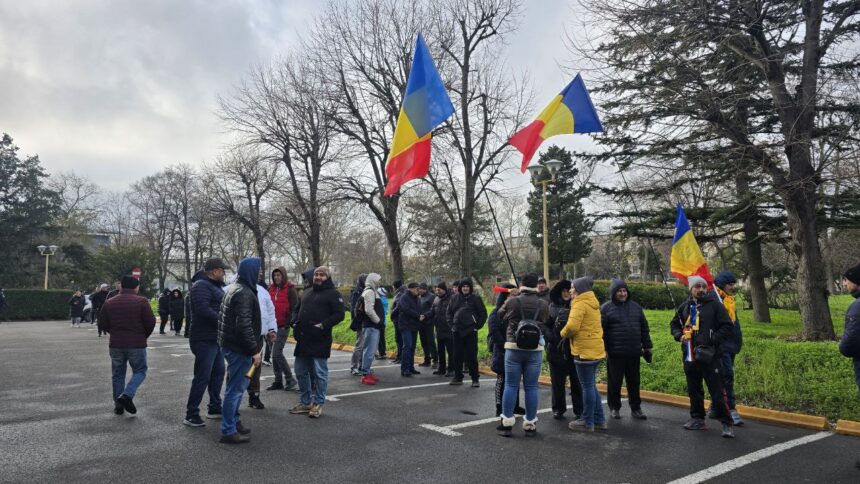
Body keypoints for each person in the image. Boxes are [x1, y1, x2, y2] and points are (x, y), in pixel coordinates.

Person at [670, 275, 736, 438]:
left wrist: (713, 339)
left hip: (711, 356)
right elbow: (674, 324)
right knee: (694, 389)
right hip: (690, 355)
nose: (700, 290)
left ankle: (726, 423)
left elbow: (727, 326)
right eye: (697, 287)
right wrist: (679, 336)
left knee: (717, 391)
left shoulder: (714, 305)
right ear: (691, 289)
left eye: (703, 287)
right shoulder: (685, 306)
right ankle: (697, 419)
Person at [496, 273, 549, 437]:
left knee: (511, 385)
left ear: (522, 284)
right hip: (534, 350)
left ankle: (506, 424)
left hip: (513, 347)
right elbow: (545, 321)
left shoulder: (513, 301)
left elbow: (500, 315)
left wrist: (510, 299)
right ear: (536, 285)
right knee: (531, 387)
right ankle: (530, 424)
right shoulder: (543, 303)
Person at [289, 266, 345, 418]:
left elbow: (340, 315)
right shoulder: (306, 292)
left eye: (322, 275)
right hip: (303, 339)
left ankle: (318, 403)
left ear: (328, 277)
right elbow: (296, 308)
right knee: (300, 371)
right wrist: (293, 321)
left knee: (320, 373)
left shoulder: (333, 294)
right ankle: (306, 402)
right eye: (316, 275)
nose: (318, 277)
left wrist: (323, 325)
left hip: (320, 339)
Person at [217, 257, 262, 444]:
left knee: (234, 388)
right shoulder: (244, 293)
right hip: (239, 349)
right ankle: (228, 430)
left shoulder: (237, 288)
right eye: (258, 270)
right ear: (250, 271)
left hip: (231, 345)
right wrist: (254, 350)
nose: (260, 273)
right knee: (235, 390)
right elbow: (243, 325)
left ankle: (234, 422)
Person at [97, 275, 156, 416]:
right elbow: (150, 322)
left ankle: (118, 405)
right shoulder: (142, 301)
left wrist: (114, 332)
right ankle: (127, 395)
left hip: (116, 343)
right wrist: (143, 335)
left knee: (117, 374)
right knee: (140, 371)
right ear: (136, 287)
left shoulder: (110, 302)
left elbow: (102, 322)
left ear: (121, 286)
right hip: (136, 343)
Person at [183, 259, 229, 428]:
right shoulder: (201, 285)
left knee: (218, 373)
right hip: (203, 338)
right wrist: (223, 320)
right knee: (202, 376)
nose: (224, 273)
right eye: (222, 270)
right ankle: (191, 413)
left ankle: (214, 407)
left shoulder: (215, 286)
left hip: (215, 338)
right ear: (215, 271)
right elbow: (202, 309)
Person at [601, 278, 652, 420]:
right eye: (619, 291)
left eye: (624, 291)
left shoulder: (636, 307)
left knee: (634, 382)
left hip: (634, 352)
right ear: (613, 293)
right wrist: (604, 349)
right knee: (614, 382)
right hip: (615, 353)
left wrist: (647, 346)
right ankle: (614, 408)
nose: (622, 294)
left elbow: (644, 328)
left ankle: (636, 409)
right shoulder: (605, 308)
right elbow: (601, 332)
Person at [562, 276, 607, 433]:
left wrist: (563, 333)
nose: (571, 290)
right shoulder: (593, 302)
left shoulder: (579, 303)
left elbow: (572, 327)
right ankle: (599, 419)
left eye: (573, 287)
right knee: (591, 386)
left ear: (579, 289)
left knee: (587, 387)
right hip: (595, 349)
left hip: (584, 351)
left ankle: (587, 421)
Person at [545, 279, 583, 420]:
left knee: (577, 383)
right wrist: (553, 338)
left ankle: (579, 410)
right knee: (557, 384)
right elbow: (545, 326)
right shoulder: (551, 307)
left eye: (569, 291)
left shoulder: (578, 306)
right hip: (556, 350)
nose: (567, 293)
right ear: (560, 292)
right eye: (564, 291)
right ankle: (558, 409)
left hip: (574, 350)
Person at [712, 271, 744, 426]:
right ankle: (730, 409)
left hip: (732, 345)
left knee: (722, 377)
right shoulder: (715, 299)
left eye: (733, 284)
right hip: (722, 345)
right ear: (721, 285)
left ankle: (715, 406)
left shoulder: (729, 300)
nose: (732, 287)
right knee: (727, 376)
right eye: (729, 284)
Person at [487, 283, 524, 416]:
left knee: (515, 380)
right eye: (511, 295)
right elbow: (493, 331)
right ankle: (499, 406)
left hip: (515, 349)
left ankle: (515, 405)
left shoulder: (518, 311)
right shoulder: (497, 311)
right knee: (502, 379)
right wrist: (505, 345)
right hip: (502, 351)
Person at [838, 264, 860, 470]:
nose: (845, 284)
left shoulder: (857, 307)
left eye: (847, 280)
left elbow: (850, 342)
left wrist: (842, 347)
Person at [447, 277, 487, 387]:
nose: (465, 288)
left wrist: (477, 326)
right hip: (457, 331)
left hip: (470, 331)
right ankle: (458, 377)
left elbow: (483, 314)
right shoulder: (454, 298)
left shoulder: (476, 299)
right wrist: (452, 325)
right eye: (463, 286)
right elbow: (449, 313)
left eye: (467, 286)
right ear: (460, 288)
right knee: (457, 355)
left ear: (470, 288)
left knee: (472, 356)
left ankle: (475, 379)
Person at [248, 271, 278, 410]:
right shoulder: (233, 288)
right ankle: (232, 400)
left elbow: (270, 311)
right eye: (256, 272)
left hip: (258, 336)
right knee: (236, 368)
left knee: (256, 367)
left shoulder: (262, 291)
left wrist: (272, 329)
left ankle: (254, 397)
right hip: (239, 337)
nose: (259, 276)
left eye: (260, 274)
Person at [267, 266, 299, 391]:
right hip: (270, 327)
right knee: (273, 355)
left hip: (282, 326)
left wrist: (288, 322)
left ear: (283, 276)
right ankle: (278, 381)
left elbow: (295, 308)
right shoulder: (270, 288)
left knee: (276, 354)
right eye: (274, 275)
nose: (276, 277)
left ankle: (290, 379)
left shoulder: (290, 289)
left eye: (279, 275)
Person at [358, 273, 384, 385]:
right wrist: (378, 321)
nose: (379, 282)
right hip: (371, 326)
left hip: (372, 326)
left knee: (370, 350)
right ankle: (365, 374)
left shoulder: (370, 291)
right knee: (369, 351)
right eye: (378, 280)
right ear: (372, 280)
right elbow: (369, 310)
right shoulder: (369, 292)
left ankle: (367, 372)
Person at [397, 282, 423, 377]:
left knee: (412, 347)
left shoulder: (416, 298)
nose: (418, 290)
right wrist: (418, 315)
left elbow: (418, 309)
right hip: (406, 325)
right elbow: (406, 309)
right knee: (407, 346)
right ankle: (405, 369)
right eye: (417, 289)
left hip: (414, 325)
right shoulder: (404, 297)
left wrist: (422, 315)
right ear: (411, 289)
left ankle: (411, 367)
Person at [430, 282, 454, 377]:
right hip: (439, 329)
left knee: (450, 351)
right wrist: (425, 316)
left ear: (444, 289)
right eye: (436, 290)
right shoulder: (436, 299)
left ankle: (451, 369)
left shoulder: (451, 298)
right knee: (440, 351)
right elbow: (432, 311)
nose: (437, 292)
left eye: (439, 290)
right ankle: (442, 368)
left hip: (449, 329)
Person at [349, 274, 369, 376]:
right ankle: (354, 367)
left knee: (364, 345)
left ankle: (362, 366)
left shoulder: (365, 290)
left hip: (366, 321)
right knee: (359, 345)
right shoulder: (357, 292)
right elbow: (353, 308)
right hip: (360, 321)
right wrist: (357, 320)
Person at [417, 283, 438, 368]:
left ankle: (435, 360)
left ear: (424, 289)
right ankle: (427, 359)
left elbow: (433, 309)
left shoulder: (431, 296)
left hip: (429, 322)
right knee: (423, 341)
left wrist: (425, 315)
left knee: (430, 341)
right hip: (420, 322)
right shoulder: (419, 297)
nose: (419, 291)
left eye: (420, 289)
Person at [389, 280, 404, 363]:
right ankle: (399, 356)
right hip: (398, 319)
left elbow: (398, 306)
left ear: (395, 287)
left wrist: (392, 314)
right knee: (398, 338)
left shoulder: (399, 294)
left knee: (399, 339)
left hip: (398, 319)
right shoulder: (400, 293)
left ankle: (400, 357)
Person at [376, 287, 389, 359]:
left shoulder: (379, 300)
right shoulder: (385, 299)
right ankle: (383, 352)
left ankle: (381, 353)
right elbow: (386, 312)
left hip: (378, 321)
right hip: (383, 321)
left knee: (378, 338)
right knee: (382, 338)